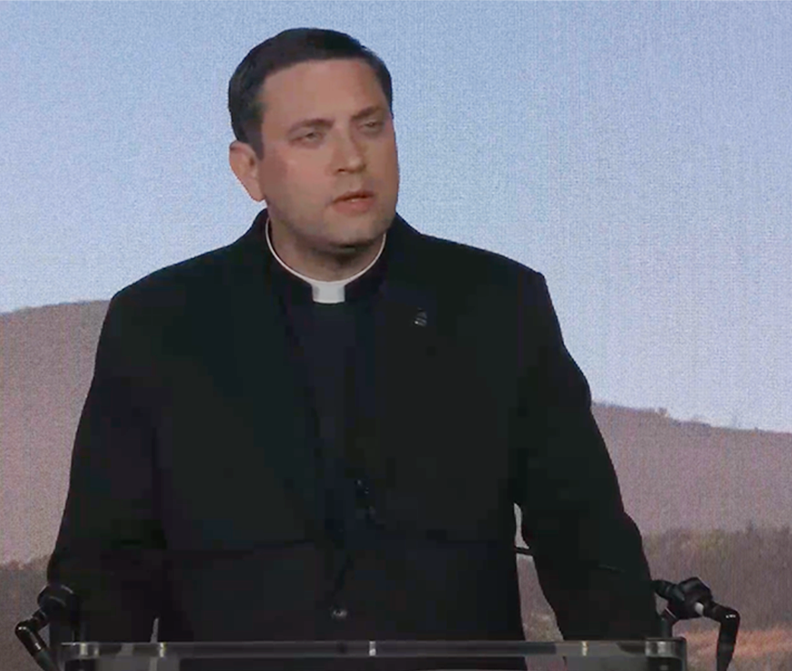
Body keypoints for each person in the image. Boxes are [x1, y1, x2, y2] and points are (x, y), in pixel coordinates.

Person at [46, 27, 660, 671]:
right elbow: (104, 566)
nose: (352, 159)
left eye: (370, 127)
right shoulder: (159, 323)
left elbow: (586, 542)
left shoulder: (498, 305)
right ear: (248, 169)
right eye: (313, 136)